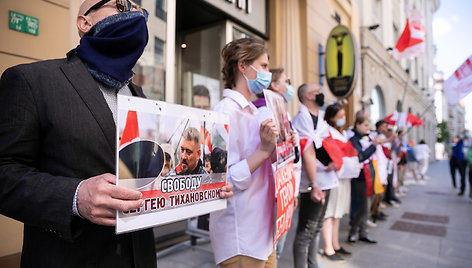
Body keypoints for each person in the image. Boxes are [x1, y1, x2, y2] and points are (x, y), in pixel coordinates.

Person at [0, 1, 232, 267]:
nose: (131, 13)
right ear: (84, 22)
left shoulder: (139, 97)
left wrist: (205, 186)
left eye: (135, 7)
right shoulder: (32, 81)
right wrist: (75, 197)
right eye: (120, 5)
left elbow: (152, 179)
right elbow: (5, 172)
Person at [209, 38, 279, 268]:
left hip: (263, 233)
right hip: (240, 236)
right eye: (264, 66)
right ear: (243, 66)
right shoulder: (224, 112)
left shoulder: (254, 111)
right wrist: (264, 150)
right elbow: (221, 180)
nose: (268, 73)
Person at [252, 67, 301, 261]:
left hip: (284, 185)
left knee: (275, 249)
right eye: (286, 81)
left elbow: (291, 155)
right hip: (274, 188)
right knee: (272, 249)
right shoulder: (263, 110)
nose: (289, 86)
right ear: (274, 85)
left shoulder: (282, 113)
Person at [292, 83, 336, 268]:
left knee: (316, 228)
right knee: (306, 231)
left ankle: (312, 264)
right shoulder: (302, 119)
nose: (321, 95)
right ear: (308, 96)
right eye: (317, 92)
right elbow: (308, 151)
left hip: (324, 180)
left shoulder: (320, 121)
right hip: (313, 182)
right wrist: (314, 183)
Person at [321, 103, 354, 263]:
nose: (343, 119)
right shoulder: (326, 130)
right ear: (331, 117)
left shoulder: (341, 133)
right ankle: (328, 247)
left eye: (343, 116)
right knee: (330, 212)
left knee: (338, 212)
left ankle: (335, 244)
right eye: (340, 116)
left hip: (343, 176)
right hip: (333, 176)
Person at [348, 112, 381, 244]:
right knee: (363, 206)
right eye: (365, 125)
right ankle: (353, 232)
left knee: (367, 204)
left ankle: (363, 231)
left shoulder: (369, 137)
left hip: (371, 173)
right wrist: (374, 145)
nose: (368, 127)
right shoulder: (353, 140)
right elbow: (360, 157)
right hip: (360, 176)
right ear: (358, 125)